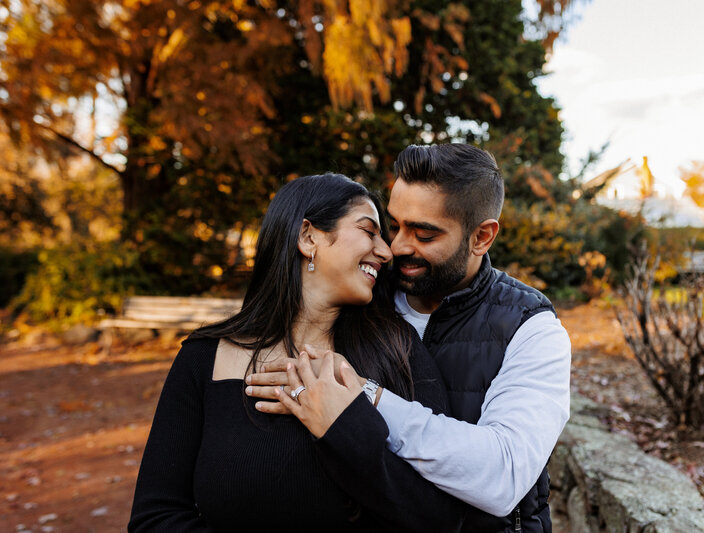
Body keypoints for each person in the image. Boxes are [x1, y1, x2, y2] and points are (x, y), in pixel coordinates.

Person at [128, 173, 480, 532]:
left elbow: (442, 519)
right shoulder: (203, 358)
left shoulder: (399, 351)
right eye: (369, 231)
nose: (387, 252)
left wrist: (342, 426)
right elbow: (155, 517)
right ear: (307, 236)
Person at [247, 144, 572, 532]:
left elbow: (503, 476)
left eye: (424, 233)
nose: (396, 246)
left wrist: (362, 398)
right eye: (394, 225)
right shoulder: (363, 297)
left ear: (481, 237)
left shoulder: (531, 328)